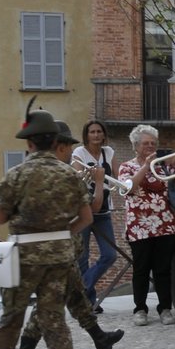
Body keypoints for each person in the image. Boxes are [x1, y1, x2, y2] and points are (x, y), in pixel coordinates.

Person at [0, 108, 92, 349]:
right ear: (55, 141)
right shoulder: (70, 174)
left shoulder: (17, 174)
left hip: (23, 257)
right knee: (53, 318)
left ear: (29, 144)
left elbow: (0, 216)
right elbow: (86, 217)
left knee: (11, 317)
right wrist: (63, 233)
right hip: (59, 257)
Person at [11, 121, 126, 349]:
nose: (70, 152)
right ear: (58, 146)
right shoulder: (62, 176)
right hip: (58, 254)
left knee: (78, 300)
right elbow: (93, 210)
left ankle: (99, 339)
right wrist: (96, 182)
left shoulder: (30, 173)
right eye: (67, 147)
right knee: (50, 306)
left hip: (50, 252)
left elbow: (3, 214)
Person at [118, 124, 175, 326]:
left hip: (165, 223)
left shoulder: (163, 165)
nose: (150, 146)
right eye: (146, 143)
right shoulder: (126, 166)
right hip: (139, 225)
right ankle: (140, 309)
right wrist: (146, 166)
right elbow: (128, 188)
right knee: (141, 269)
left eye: (153, 143)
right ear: (136, 146)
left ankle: (165, 308)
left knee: (163, 269)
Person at [73, 119, 118, 309]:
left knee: (110, 255)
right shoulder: (79, 153)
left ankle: (82, 288)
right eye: (92, 132)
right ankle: (89, 302)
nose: (96, 135)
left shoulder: (109, 152)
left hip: (103, 211)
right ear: (86, 135)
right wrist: (91, 175)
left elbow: (118, 176)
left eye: (99, 131)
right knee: (82, 258)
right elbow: (78, 177)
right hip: (84, 210)